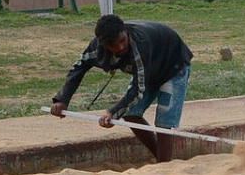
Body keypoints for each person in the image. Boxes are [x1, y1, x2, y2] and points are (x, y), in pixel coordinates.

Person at [50, 14, 193, 163]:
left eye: (122, 41)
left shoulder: (140, 45)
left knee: (164, 121)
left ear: (126, 32)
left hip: (174, 65)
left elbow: (138, 89)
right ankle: (161, 158)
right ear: (103, 44)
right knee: (131, 113)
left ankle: (164, 165)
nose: (120, 47)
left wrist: (113, 112)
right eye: (112, 45)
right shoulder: (95, 49)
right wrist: (62, 99)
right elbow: (78, 69)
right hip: (147, 72)